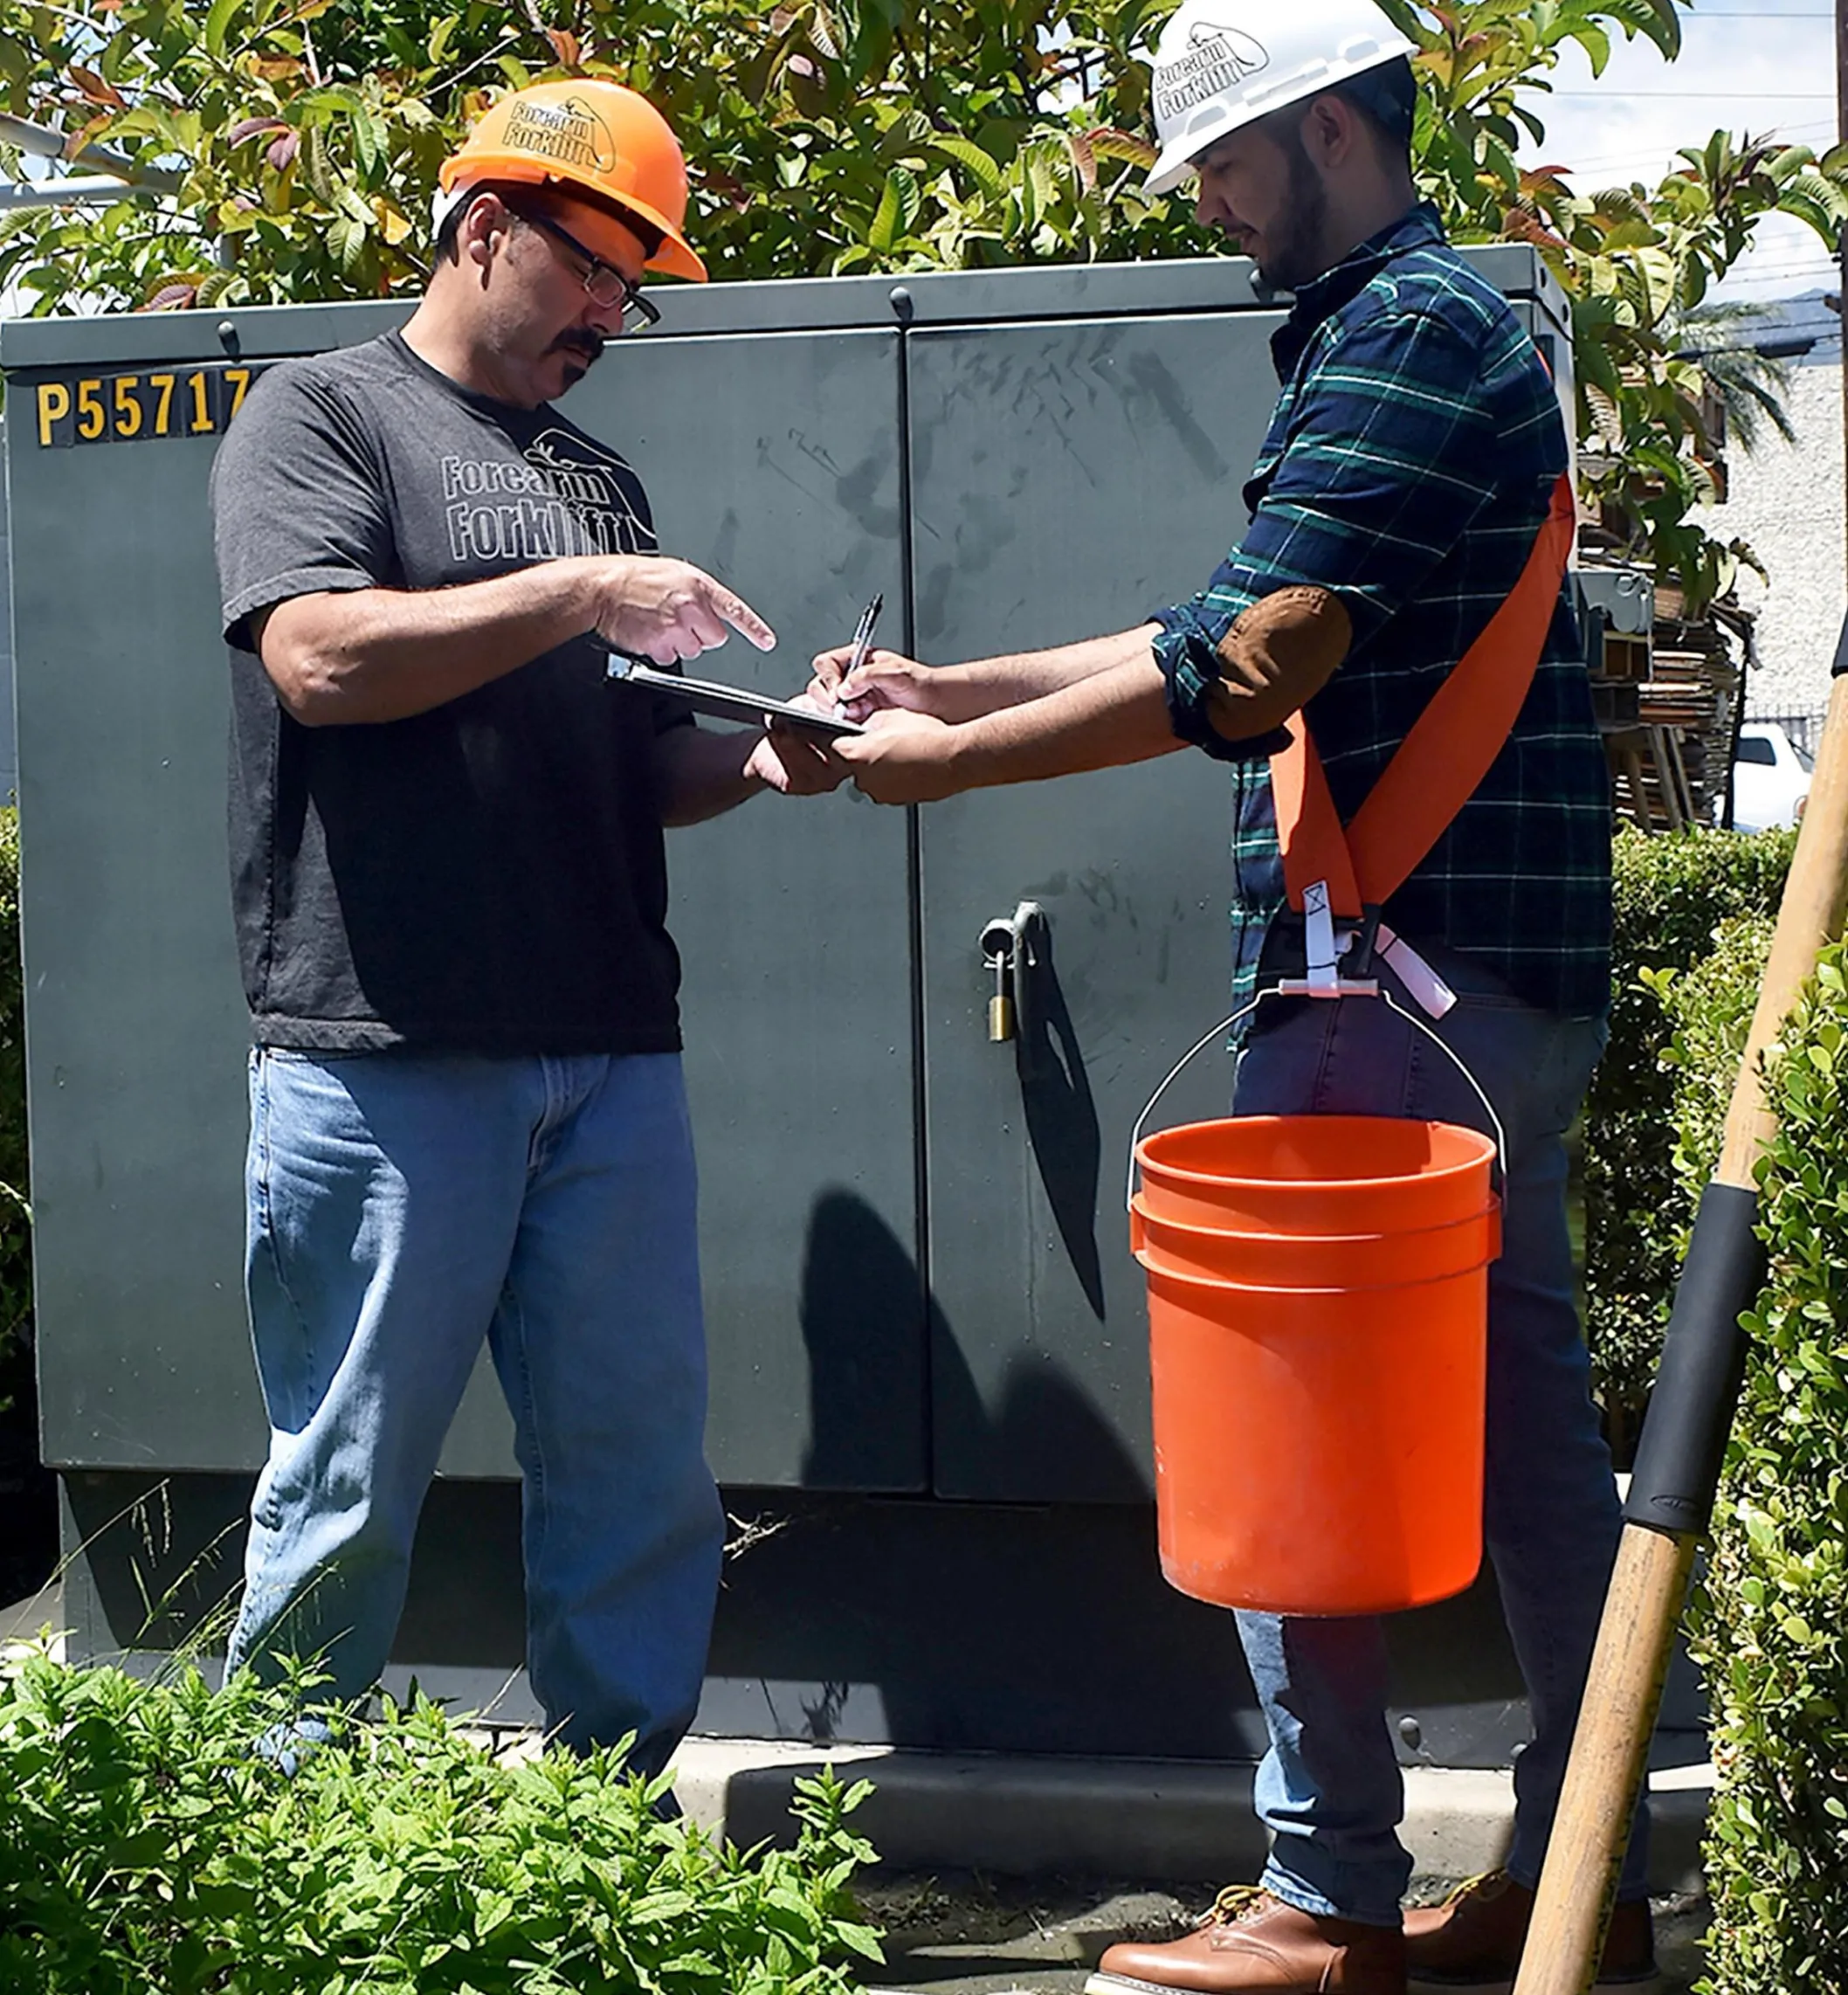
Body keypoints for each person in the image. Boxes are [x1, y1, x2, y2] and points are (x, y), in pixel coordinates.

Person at [790, 3, 1653, 1989]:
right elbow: (1224, 616)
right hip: (1474, 992)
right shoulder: (1429, 329)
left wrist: (940, 774)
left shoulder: (1404, 331)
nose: (1203, 197)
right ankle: (1593, 1842)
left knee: (1295, 1434)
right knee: (1527, 1441)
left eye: (1221, 159)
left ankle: (1326, 1890)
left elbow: (1250, 662)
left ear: (1330, 128)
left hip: (1386, 992)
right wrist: (957, 687)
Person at [210, 77, 831, 1771]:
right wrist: (575, 586)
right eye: (592, 272)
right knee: (346, 1487)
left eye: (632, 290)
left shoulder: (598, 477)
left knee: (636, 1479)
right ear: (485, 228)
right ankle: (267, 1846)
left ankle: (602, 1848)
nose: (609, 318)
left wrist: (780, 750)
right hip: (383, 1052)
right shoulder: (318, 416)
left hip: (610, 1050)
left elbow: (637, 765)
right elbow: (319, 662)